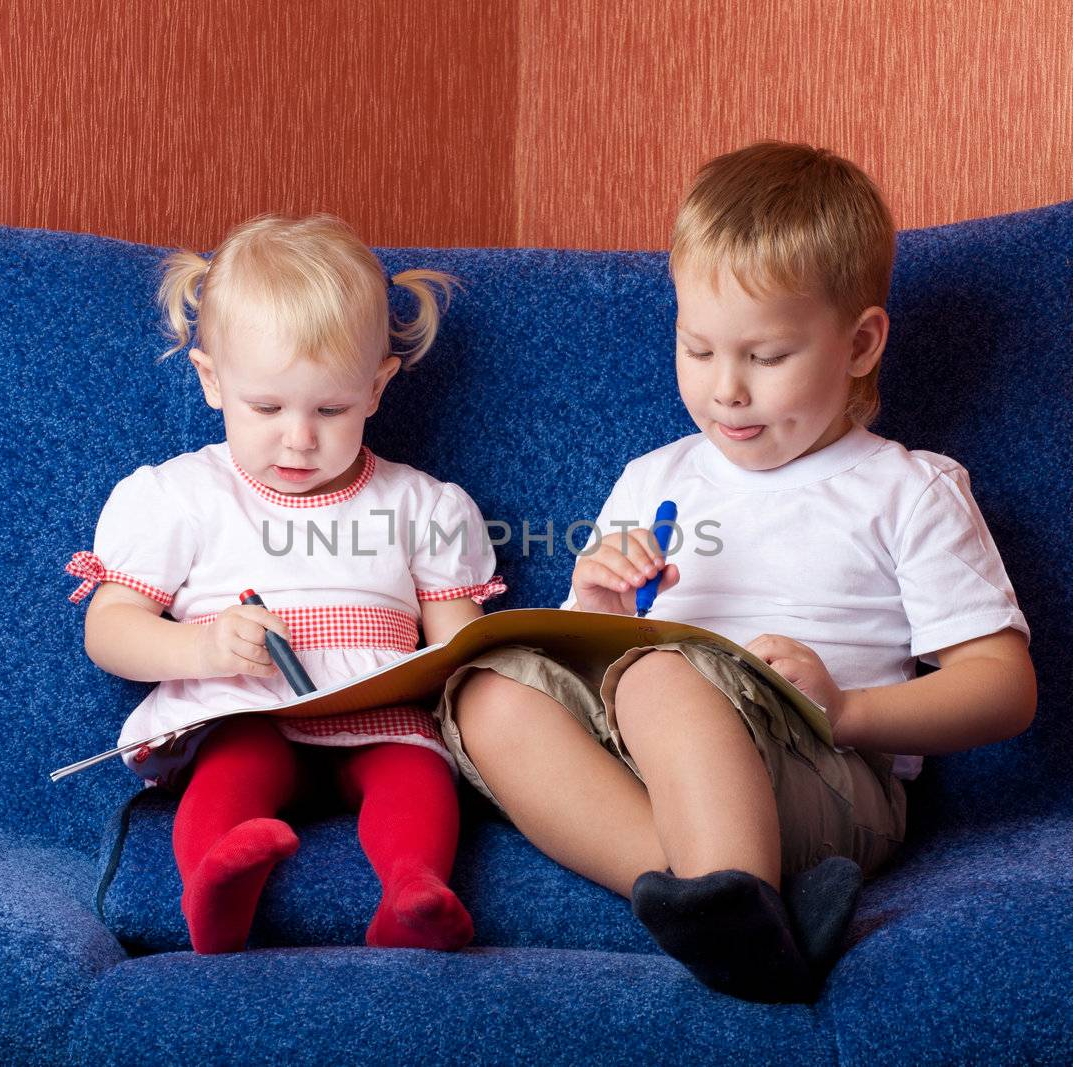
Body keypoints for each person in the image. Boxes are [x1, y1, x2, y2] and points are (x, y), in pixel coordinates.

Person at [438, 141, 1036, 1001]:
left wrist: (851, 709)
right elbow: (593, 664)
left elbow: (1004, 687)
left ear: (861, 343)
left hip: (823, 772)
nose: (726, 390)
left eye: (766, 357)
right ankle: (734, 903)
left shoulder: (909, 490)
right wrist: (599, 605)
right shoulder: (655, 478)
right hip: (652, 748)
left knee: (659, 677)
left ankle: (736, 893)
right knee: (487, 691)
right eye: (698, 348)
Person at [65, 214, 503, 954]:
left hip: (380, 712)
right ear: (211, 380)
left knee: (416, 772)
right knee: (239, 763)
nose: (299, 438)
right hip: (249, 706)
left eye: (330, 409)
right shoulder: (183, 496)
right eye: (266, 407)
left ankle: (412, 890)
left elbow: (463, 644)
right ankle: (215, 884)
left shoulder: (422, 504)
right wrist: (202, 648)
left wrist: (457, 673)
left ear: (376, 387)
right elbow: (108, 629)